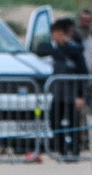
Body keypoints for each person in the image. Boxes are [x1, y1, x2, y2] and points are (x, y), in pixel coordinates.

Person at [34, 17, 89, 158]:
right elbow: (39, 49)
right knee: (54, 121)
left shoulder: (75, 52)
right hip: (58, 94)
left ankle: (75, 152)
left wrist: (81, 96)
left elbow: (84, 75)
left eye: (54, 33)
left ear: (61, 33)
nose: (53, 36)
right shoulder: (55, 50)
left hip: (72, 95)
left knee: (73, 124)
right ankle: (62, 150)